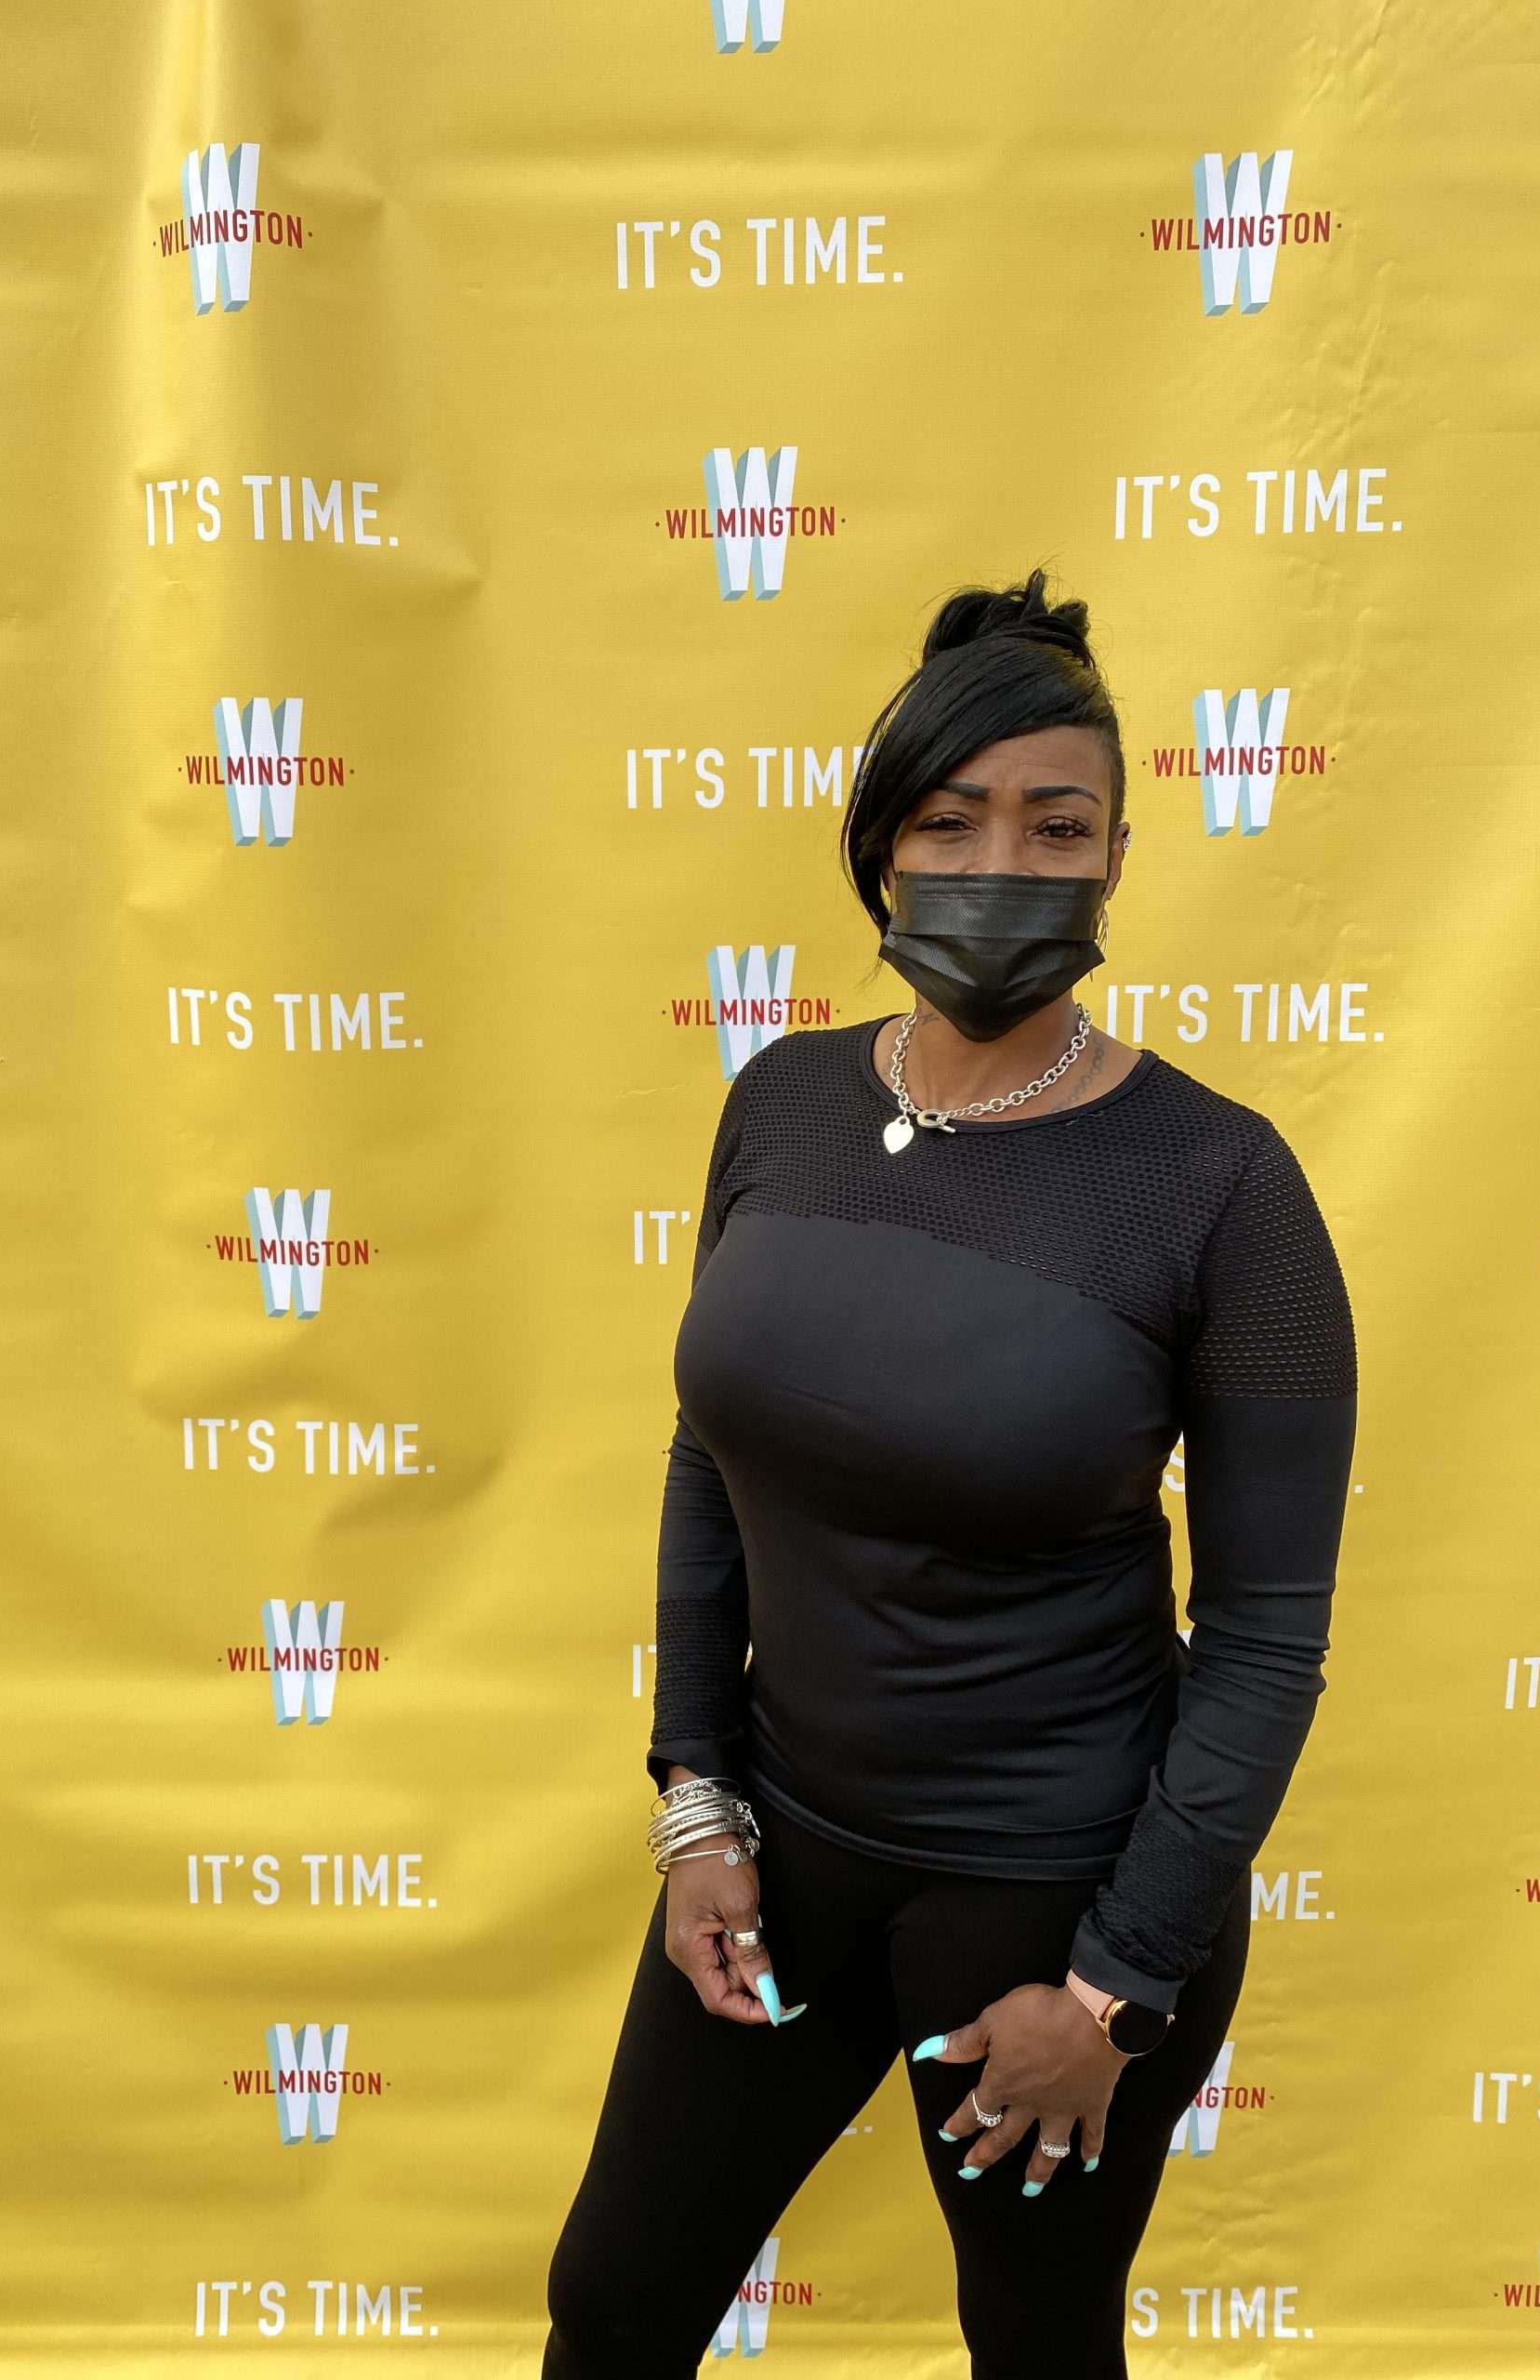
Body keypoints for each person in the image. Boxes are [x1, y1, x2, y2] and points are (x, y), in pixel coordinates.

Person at [541, 568, 1359, 2378]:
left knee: (1035, 2345)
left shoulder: (1223, 1186)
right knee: (610, 2307)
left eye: (1057, 825)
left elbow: (1265, 1638)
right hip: (785, 1851)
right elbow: (709, 1462)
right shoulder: (780, 1100)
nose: (1004, 860)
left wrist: (1117, 1989)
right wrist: (697, 1803)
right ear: (881, 847)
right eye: (950, 818)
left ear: (1119, 856)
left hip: (1055, 1903)